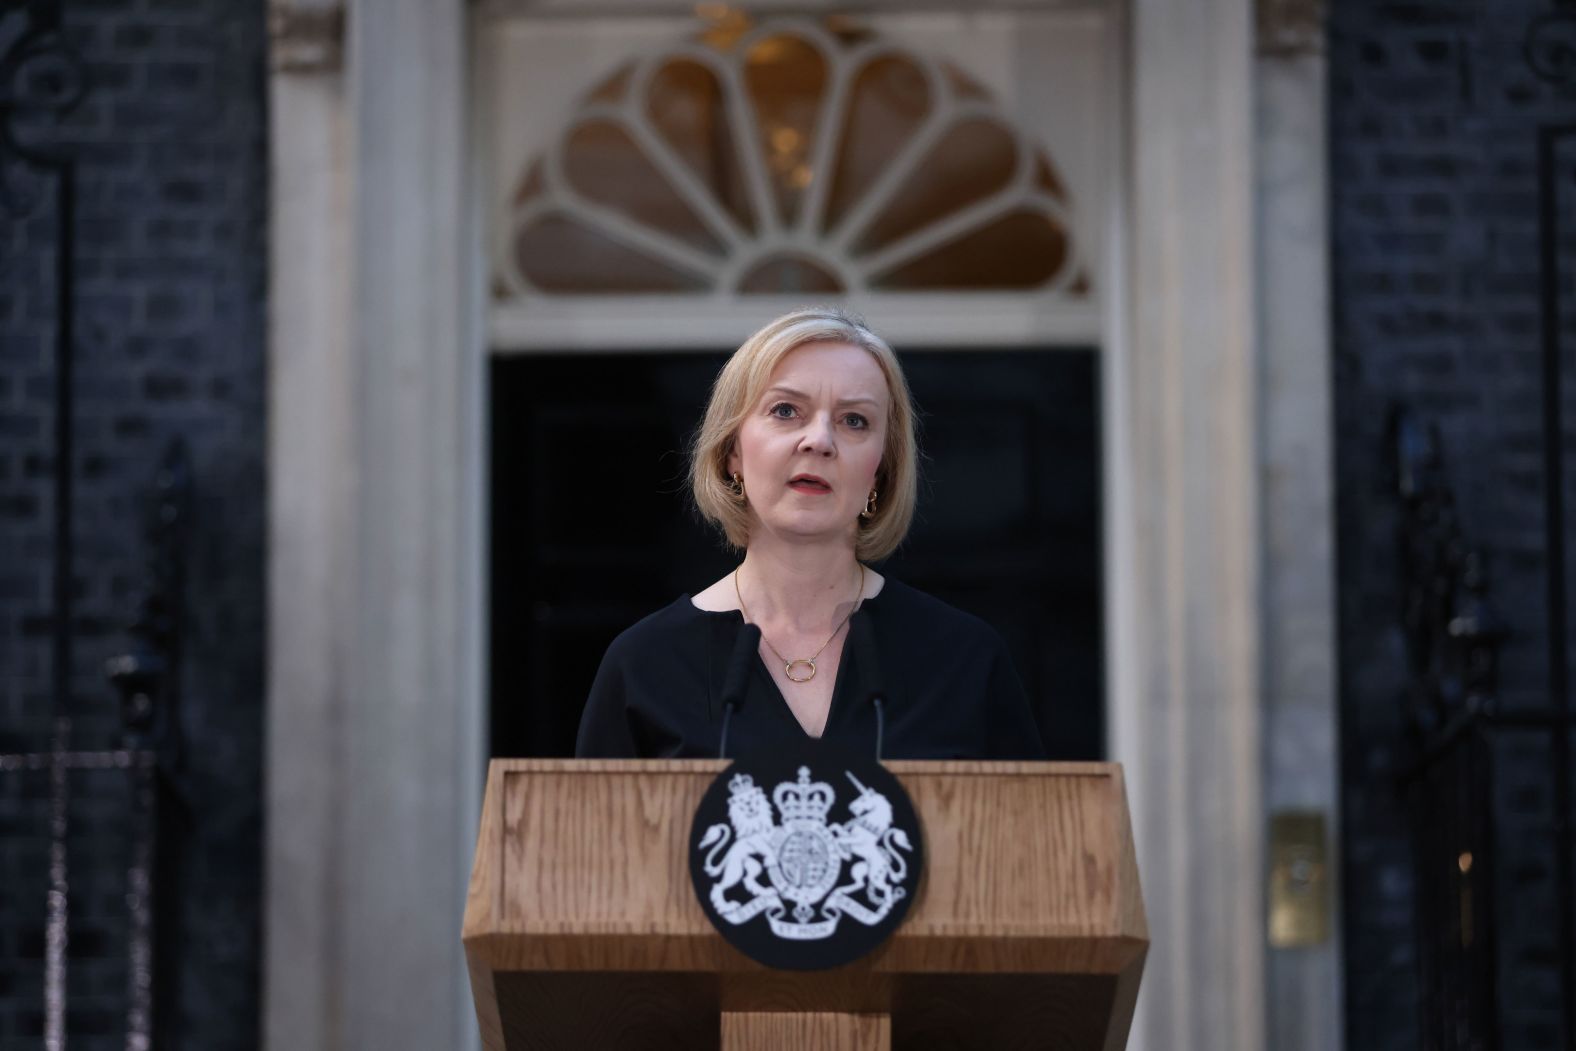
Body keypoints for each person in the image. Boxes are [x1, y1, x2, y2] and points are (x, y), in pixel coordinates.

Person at [574, 307, 1046, 760]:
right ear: (732, 452)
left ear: (880, 471)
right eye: (786, 411)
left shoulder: (963, 659)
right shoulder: (644, 663)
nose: (819, 440)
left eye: (854, 420)